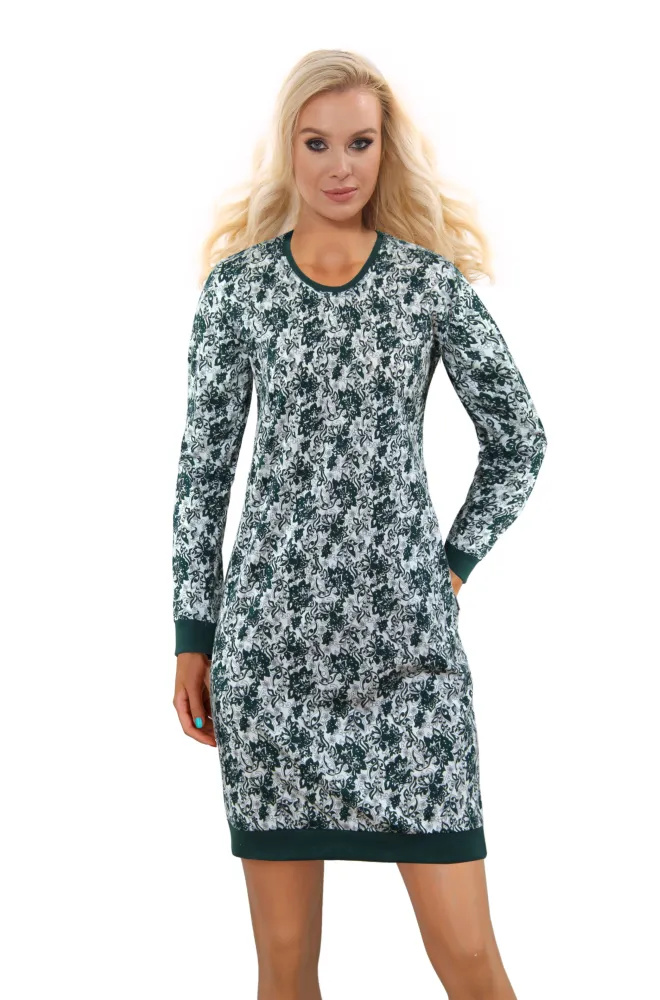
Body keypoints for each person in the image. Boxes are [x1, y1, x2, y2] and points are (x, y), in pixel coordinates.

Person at [172, 48, 546, 1000]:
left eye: (360, 143)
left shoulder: (428, 285)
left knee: (470, 958)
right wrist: (192, 637)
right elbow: (202, 479)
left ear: (386, 151)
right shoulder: (238, 292)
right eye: (317, 143)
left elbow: (520, 440)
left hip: (407, 660)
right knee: (285, 962)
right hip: (271, 661)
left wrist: (449, 566)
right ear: (287, 149)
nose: (340, 166)